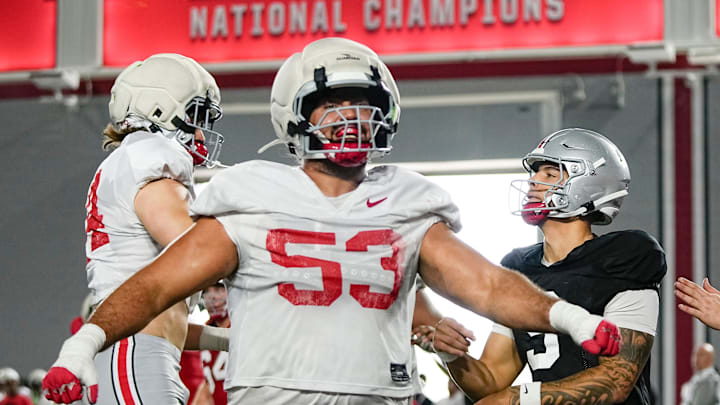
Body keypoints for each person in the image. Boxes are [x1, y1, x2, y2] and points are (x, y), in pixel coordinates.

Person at [43, 38, 621, 405]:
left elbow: (480, 283)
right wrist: (84, 342)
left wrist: (564, 314)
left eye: (364, 107)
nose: (351, 122)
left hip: (378, 391)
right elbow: (156, 284)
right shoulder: (246, 193)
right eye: (333, 108)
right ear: (293, 115)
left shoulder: (406, 198)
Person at [426, 128, 666, 405]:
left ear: (590, 185)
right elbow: (490, 381)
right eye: (534, 173)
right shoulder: (518, 267)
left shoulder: (625, 255)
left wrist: (517, 398)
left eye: (550, 174)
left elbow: (616, 381)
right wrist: (452, 355)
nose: (533, 182)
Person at [44, 53, 231, 405]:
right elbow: (200, 250)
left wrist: (225, 340)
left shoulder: (128, 161)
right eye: (195, 117)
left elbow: (161, 319)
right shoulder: (152, 162)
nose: (201, 132)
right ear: (160, 110)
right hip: (135, 359)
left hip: (132, 353)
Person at [191, 282, 231, 405]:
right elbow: (208, 386)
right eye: (207, 291)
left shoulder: (245, 327)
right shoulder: (204, 331)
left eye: (219, 289)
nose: (213, 296)